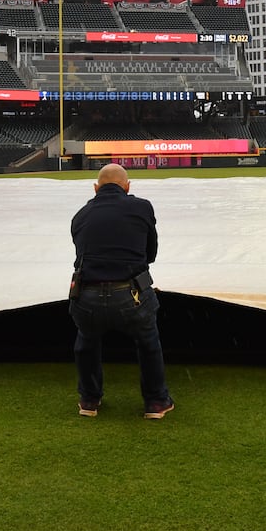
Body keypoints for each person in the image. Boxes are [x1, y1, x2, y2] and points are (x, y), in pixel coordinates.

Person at [68, 163, 174, 420]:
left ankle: (89, 400)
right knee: (148, 341)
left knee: (87, 340)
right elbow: (150, 254)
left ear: (96, 188)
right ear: (127, 187)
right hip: (131, 296)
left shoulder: (80, 215)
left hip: (87, 298)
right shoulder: (142, 207)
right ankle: (156, 402)